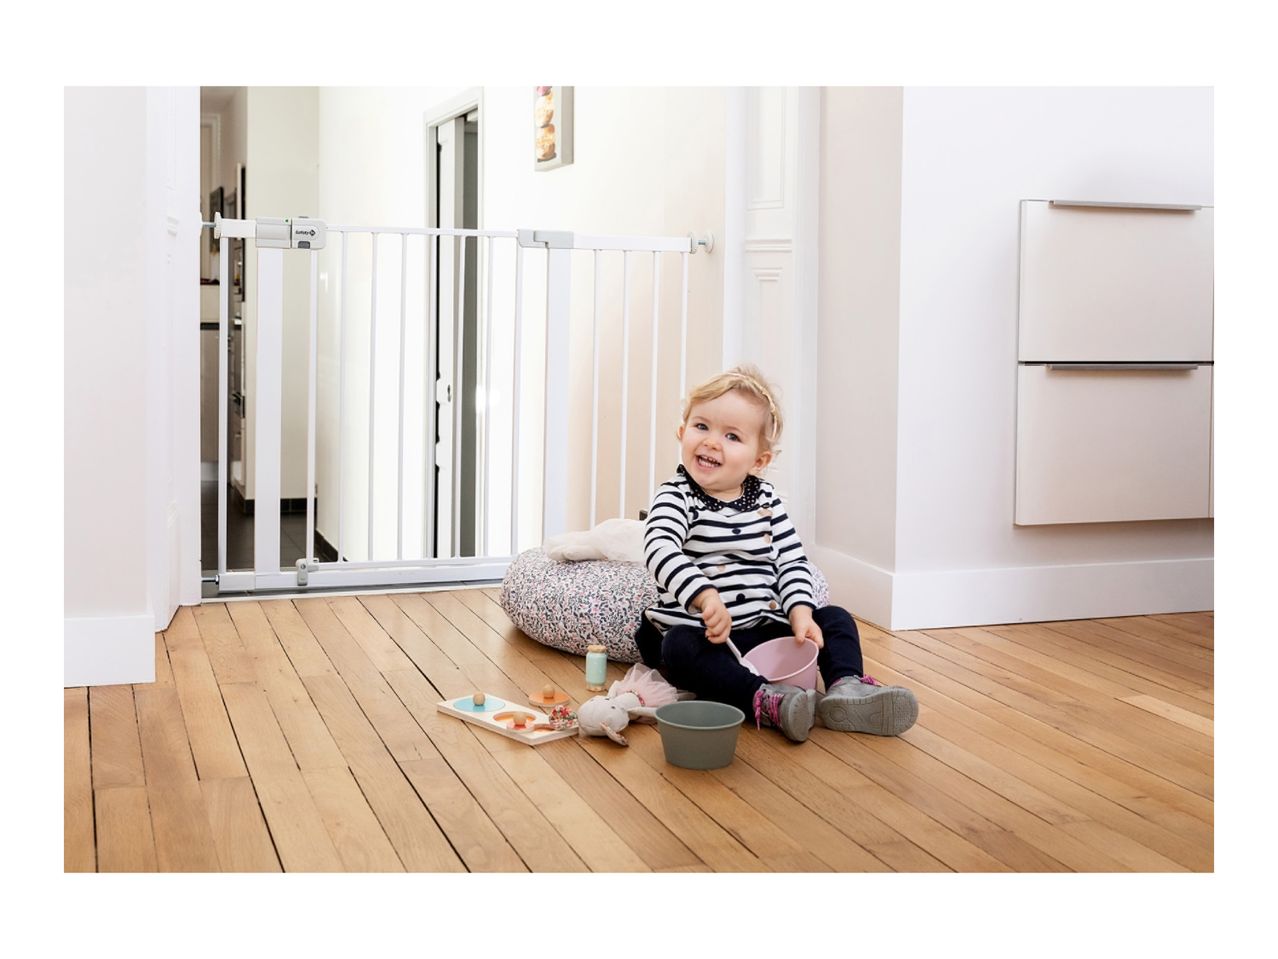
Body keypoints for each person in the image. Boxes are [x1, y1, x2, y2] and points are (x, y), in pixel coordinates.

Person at [636, 365, 918, 742]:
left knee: (835, 618)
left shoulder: (767, 501)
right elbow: (660, 549)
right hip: (709, 635)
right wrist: (703, 596)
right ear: (682, 431)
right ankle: (764, 700)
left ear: (758, 461)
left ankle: (846, 689)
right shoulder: (676, 496)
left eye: (732, 436)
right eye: (701, 426)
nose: (711, 442)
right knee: (678, 647)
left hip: (762, 628)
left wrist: (801, 611)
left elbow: (791, 560)